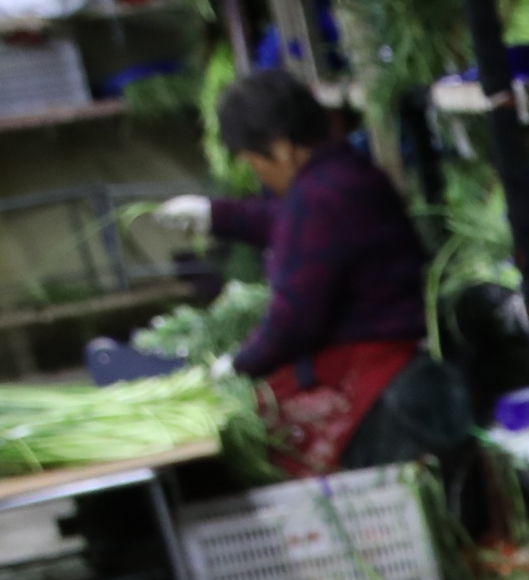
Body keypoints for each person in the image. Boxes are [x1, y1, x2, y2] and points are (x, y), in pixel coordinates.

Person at [148, 68, 470, 477]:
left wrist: (240, 364)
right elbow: (290, 225)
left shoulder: (319, 198)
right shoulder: (340, 176)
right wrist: (215, 216)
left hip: (384, 385)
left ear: (281, 150)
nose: (259, 175)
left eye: (254, 163)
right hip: (398, 362)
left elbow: (293, 320)